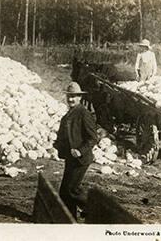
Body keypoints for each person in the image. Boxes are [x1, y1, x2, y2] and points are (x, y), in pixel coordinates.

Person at [53, 82, 98, 221]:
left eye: (74, 96)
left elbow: (93, 138)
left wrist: (80, 151)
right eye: (69, 96)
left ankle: (96, 210)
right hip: (71, 158)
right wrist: (56, 146)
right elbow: (65, 137)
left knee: (71, 190)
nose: (71, 99)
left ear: (79, 97)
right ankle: (69, 219)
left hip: (81, 159)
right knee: (64, 192)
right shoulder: (67, 115)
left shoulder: (84, 113)